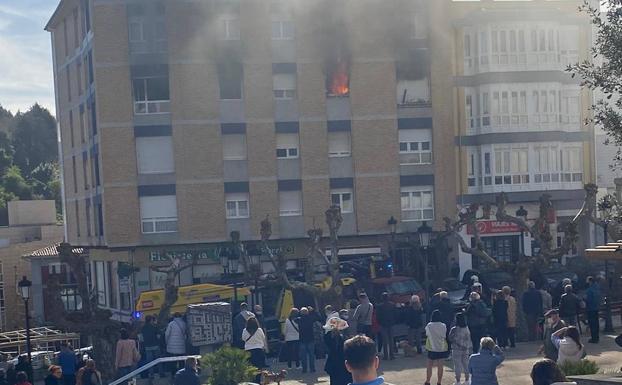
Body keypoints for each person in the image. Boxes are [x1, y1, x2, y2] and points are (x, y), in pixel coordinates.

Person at [323, 317, 353, 385]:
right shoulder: (344, 337)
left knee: (334, 381)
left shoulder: (328, 337)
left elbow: (326, 339)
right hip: (343, 362)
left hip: (333, 362)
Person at [424, 310, 449, 385]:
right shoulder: (443, 325)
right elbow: (444, 336)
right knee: (440, 366)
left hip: (431, 347)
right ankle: (439, 382)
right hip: (441, 348)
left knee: (429, 365)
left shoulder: (429, 325)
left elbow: (427, 334)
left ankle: (428, 381)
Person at [449, 312, 472, 385]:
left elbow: (450, 338)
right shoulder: (467, 328)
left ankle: (458, 381)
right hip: (465, 349)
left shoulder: (454, 329)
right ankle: (467, 380)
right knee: (466, 364)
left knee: (457, 365)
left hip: (456, 349)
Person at [243, 317, 267, 382]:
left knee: (250, 368)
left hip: (248, 351)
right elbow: (263, 338)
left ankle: (252, 381)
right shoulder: (259, 330)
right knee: (259, 368)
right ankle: (257, 381)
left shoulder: (245, 330)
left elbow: (243, 338)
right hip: (259, 350)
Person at [376, 292, 396, 360]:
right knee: (391, 340)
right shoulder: (392, 305)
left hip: (383, 324)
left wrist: (380, 322)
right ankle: (392, 355)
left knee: (385, 341)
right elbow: (395, 314)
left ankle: (386, 355)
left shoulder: (379, 306)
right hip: (390, 324)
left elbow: (378, 316)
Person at [297, 307, 316, 373]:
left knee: (303, 356)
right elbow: (318, 317)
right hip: (311, 338)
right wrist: (312, 311)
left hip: (302, 339)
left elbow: (293, 318)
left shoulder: (299, 320)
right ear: (307, 312)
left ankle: (304, 369)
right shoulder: (311, 318)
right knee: (311, 355)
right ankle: (312, 368)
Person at [585, 276, 602, 343]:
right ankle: (596, 337)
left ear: (590, 281)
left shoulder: (589, 290)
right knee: (596, 323)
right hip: (596, 308)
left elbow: (588, 300)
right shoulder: (597, 288)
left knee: (592, 323)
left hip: (590, 308)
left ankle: (593, 338)